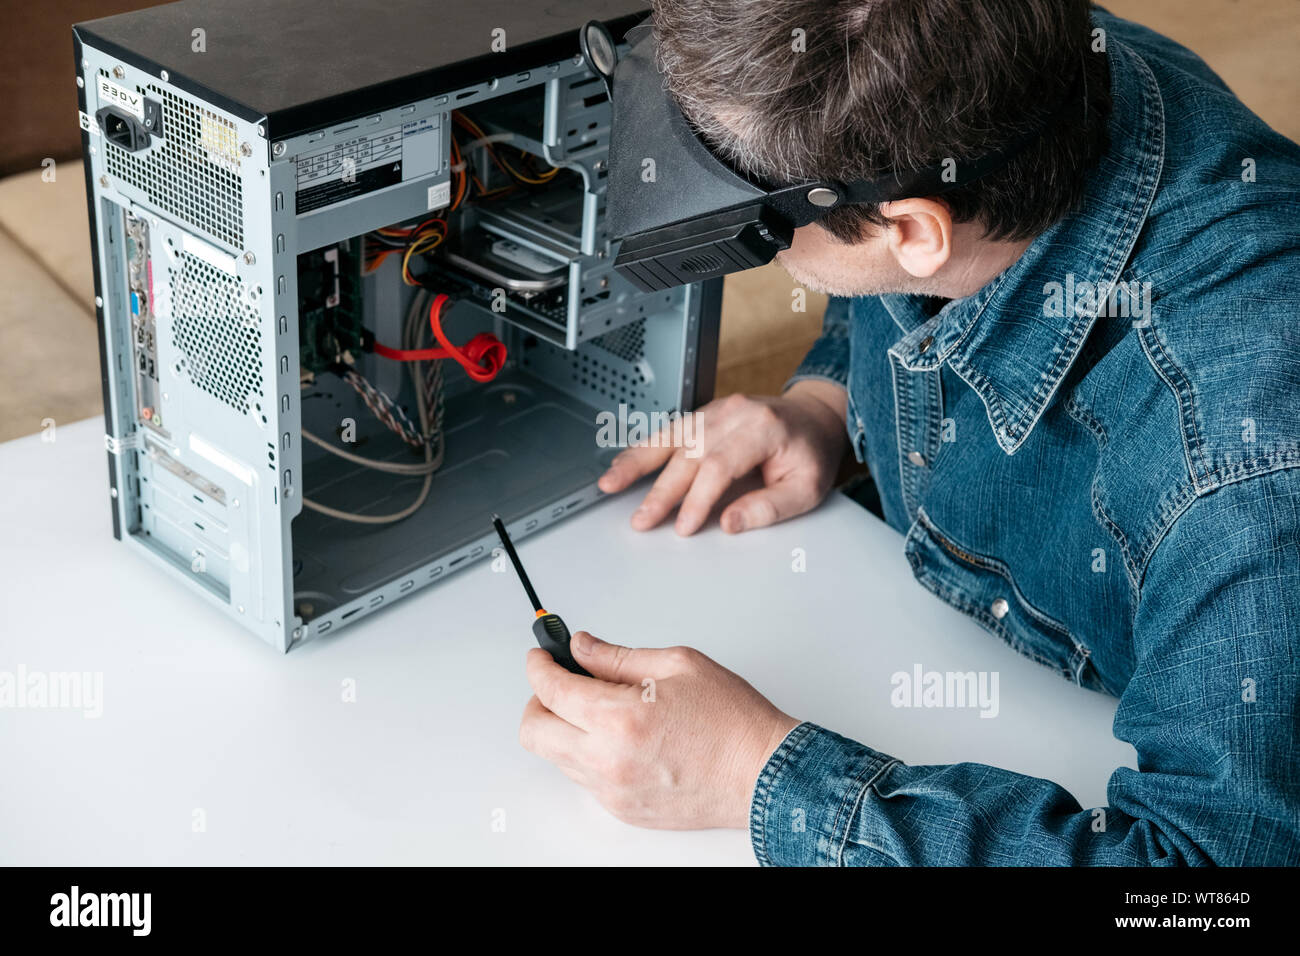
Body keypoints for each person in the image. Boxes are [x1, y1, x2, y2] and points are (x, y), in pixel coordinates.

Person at [518, 0, 1300, 864]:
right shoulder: (988, 61)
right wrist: (826, 402)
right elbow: (880, 267)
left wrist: (754, 779)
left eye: (761, 226)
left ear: (911, 230)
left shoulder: (1245, 465)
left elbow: (1208, 884)